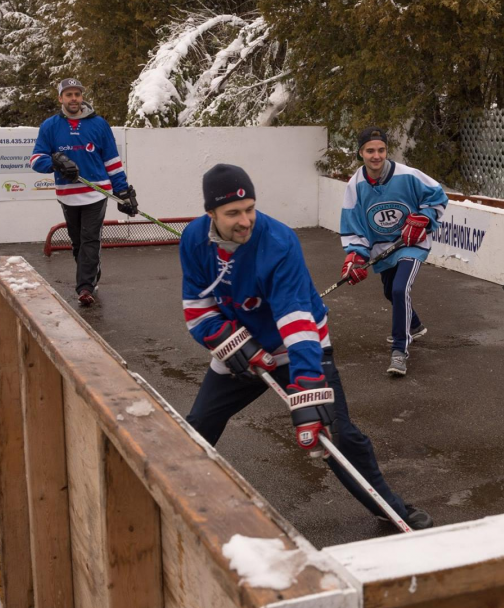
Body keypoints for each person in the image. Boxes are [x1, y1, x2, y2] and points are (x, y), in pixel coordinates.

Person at [180, 163, 433, 530]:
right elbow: (197, 309)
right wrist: (227, 341)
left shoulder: (279, 242)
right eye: (233, 213)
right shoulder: (192, 240)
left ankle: (390, 509)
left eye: (250, 208)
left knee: (338, 435)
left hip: (301, 345)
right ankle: (172, 492)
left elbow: (296, 322)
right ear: (211, 214)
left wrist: (308, 387)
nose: (245, 220)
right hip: (243, 345)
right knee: (200, 423)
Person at [338, 127, 448, 376]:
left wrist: (424, 218)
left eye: (381, 150)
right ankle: (416, 326)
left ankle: (399, 351)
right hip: (383, 249)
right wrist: (355, 258)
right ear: (360, 153)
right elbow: (354, 225)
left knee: (400, 289)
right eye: (370, 150)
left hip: (412, 245)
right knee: (391, 292)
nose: (376, 156)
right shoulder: (355, 185)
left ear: (387, 151)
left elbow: (437, 197)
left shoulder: (408, 175)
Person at [30, 78, 136, 307]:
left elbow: (112, 161)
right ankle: (90, 275)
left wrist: (122, 191)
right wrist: (56, 163)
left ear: (82, 97)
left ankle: (85, 287)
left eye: (77, 94)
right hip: (67, 194)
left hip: (96, 193)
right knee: (77, 242)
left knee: (90, 238)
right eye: (68, 94)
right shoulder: (50, 126)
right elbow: (36, 160)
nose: (74, 98)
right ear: (61, 98)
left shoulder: (99, 124)